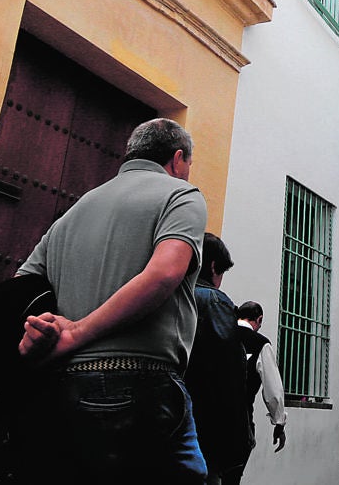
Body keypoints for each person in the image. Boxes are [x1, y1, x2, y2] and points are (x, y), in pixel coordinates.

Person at [14, 117, 208, 483]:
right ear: (178, 159)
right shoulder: (181, 196)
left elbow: (22, 284)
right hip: (142, 385)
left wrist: (40, 331)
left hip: (63, 386)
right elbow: (165, 274)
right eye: (187, 166)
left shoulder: (75, 210)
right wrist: (77, 332)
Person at [185, 233, 252, 485]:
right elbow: (230, 375)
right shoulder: (214, 301)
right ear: (213, 266)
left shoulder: (164, 291)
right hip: (203, 426)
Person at [235, 301, 288, 460]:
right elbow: (273, 388)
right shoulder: (260, 343)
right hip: (241, 416)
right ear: (259, 319)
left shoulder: (220, 334)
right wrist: (279, 422)